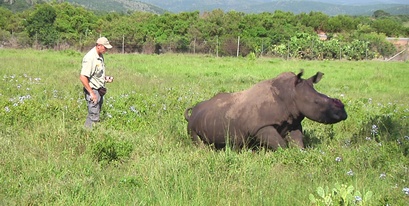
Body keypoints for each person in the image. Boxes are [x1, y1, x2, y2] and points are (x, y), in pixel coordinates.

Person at [80, 37, 114, 128]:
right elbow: (83, 77)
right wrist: (91, 93)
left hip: (99, 90)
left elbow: (95, 74)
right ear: (99, 46)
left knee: (95, 114)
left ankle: (90, 133)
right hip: (93, 90)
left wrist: (105, 79)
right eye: (105, 47)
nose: (106, 49)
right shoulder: (90, 58)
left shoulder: (99, 56)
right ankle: (88, 135)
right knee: (93, 115)